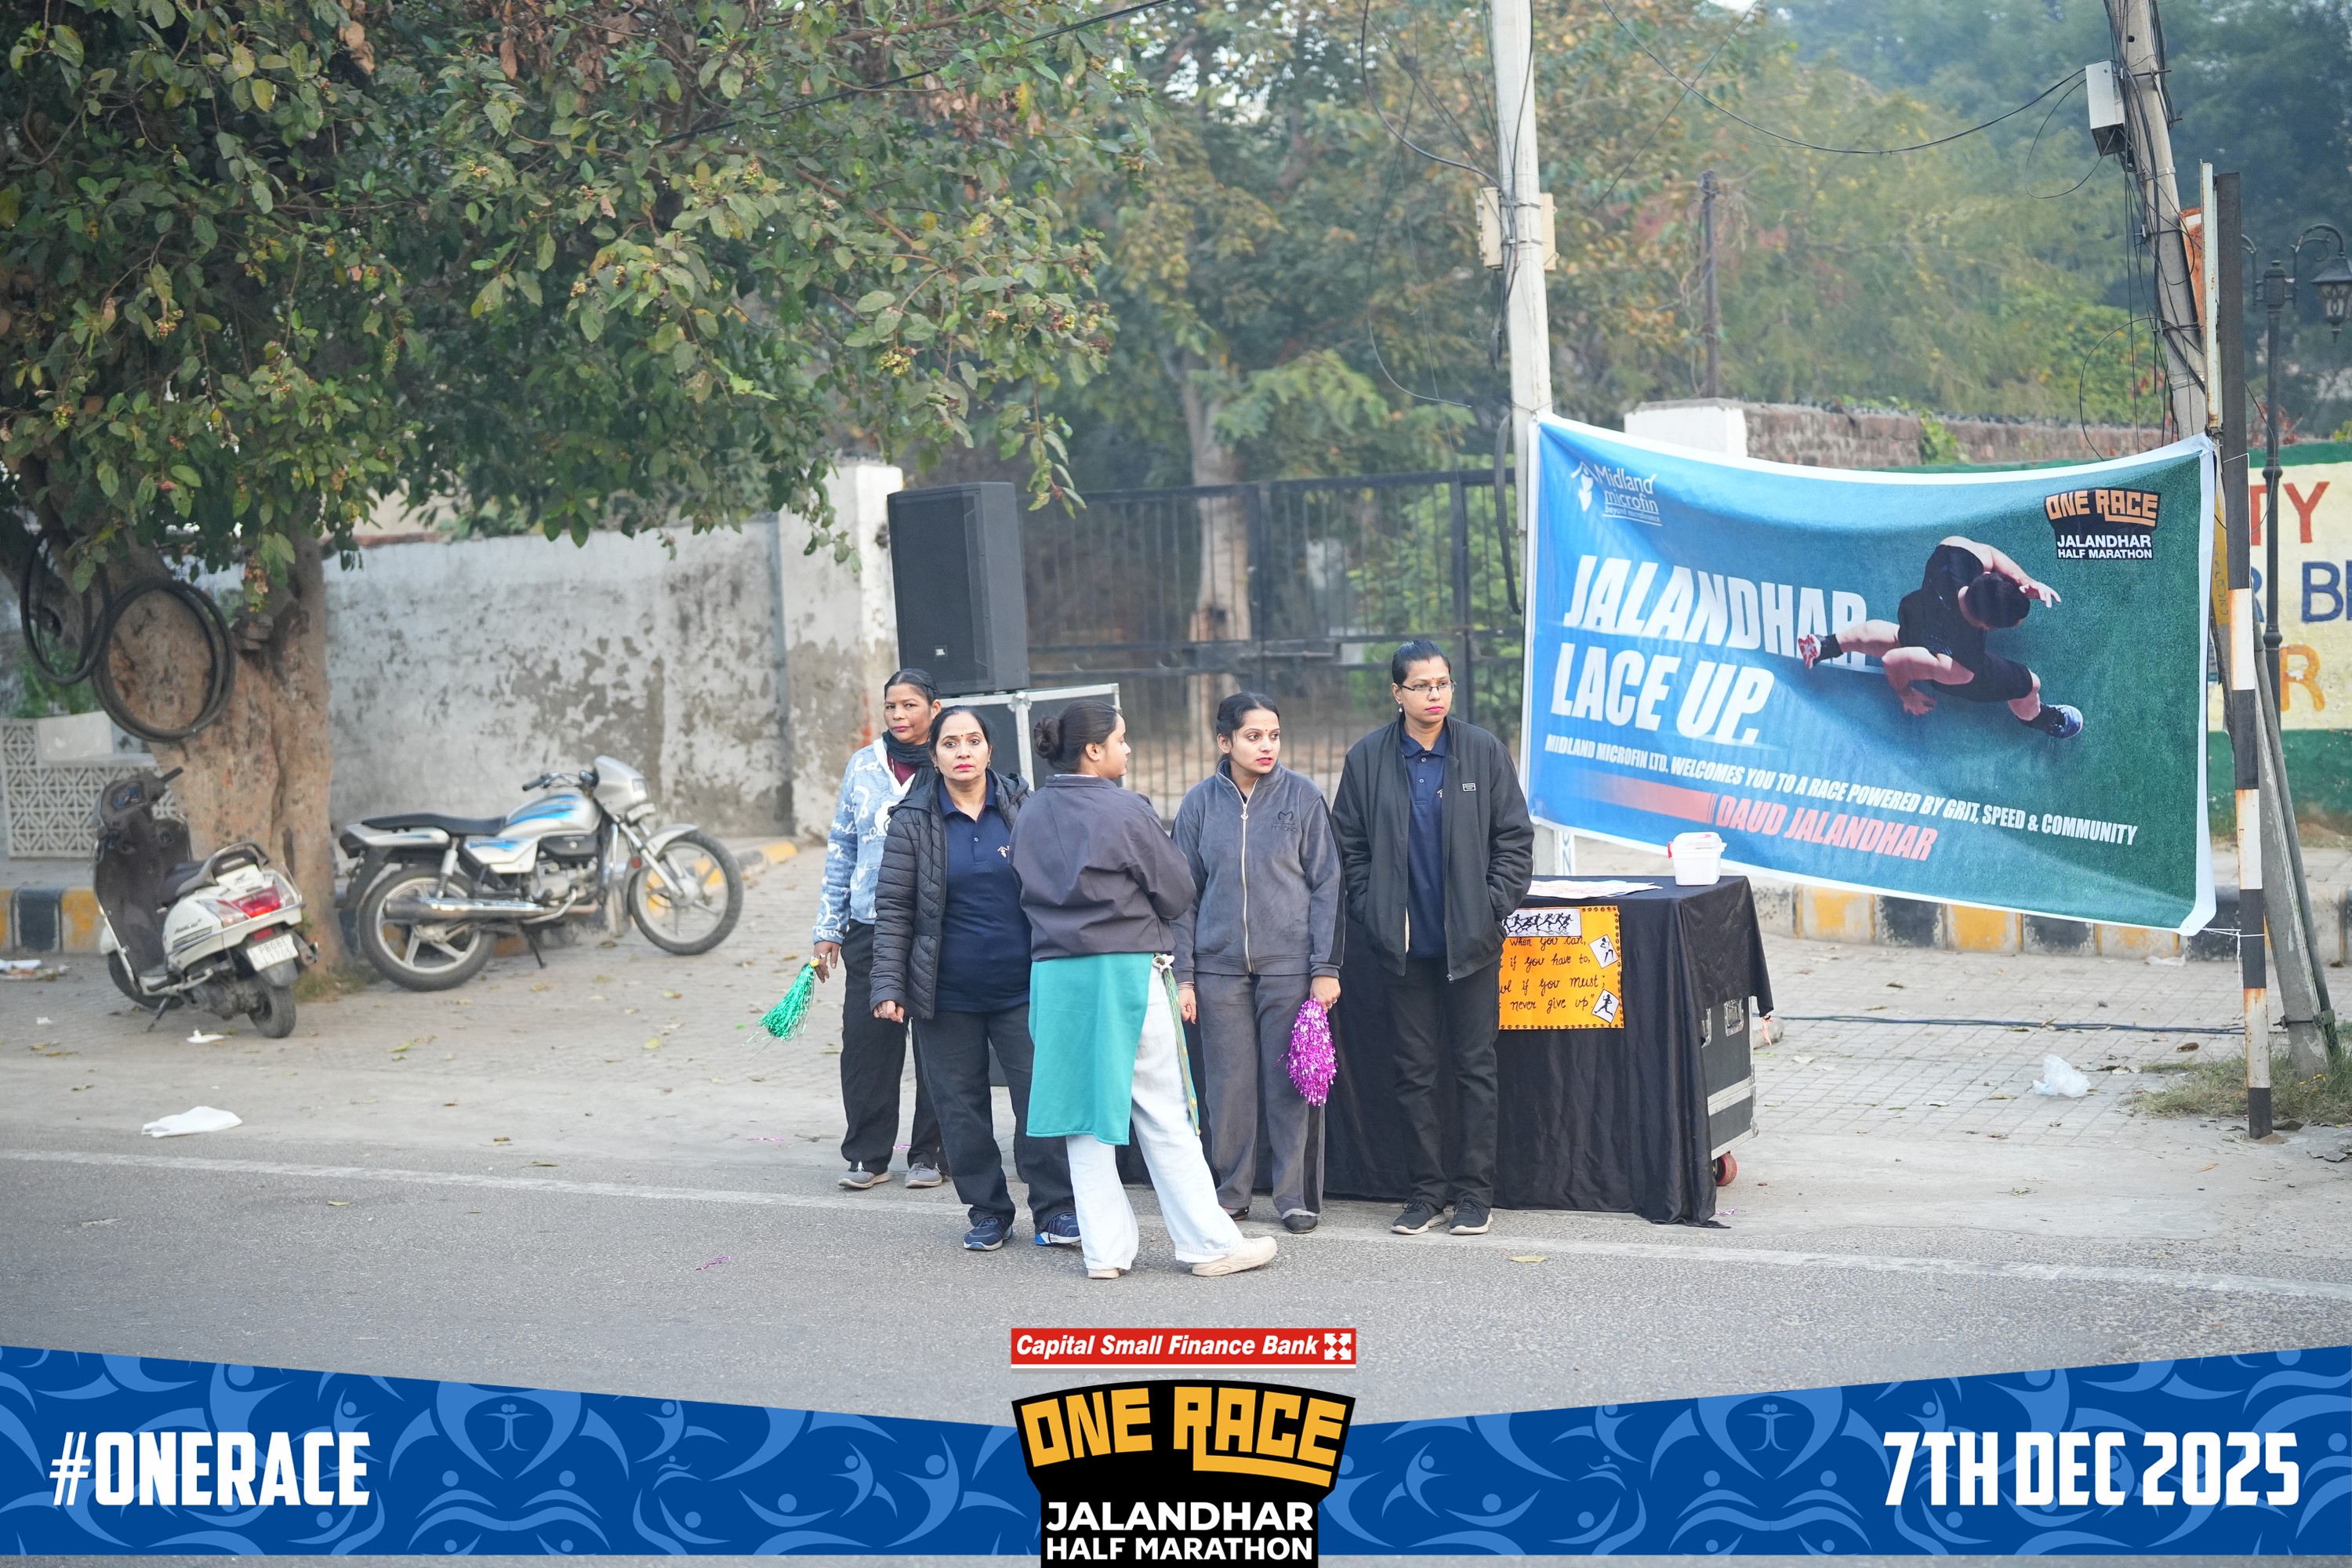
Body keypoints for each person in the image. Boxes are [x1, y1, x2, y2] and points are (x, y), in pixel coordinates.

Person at [1012, 698, 1279, 1281]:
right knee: (1162, 1111)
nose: (1127, 749)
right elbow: (1178, 890)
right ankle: (1208, 1244)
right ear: (1093, 750)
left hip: (1056, 976)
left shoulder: (1029, 812)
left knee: (1083, 1119)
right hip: (1122, 970)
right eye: (1121, 740)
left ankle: (1105, 1253)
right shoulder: (1124, 808)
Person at [1331, 640, 1534, 1240]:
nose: (1435, 694)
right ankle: (1425, 1193)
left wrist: (1487, 909)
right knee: (1414, 1074)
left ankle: (1474, 1195)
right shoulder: (1368, 759)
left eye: (1442, 683)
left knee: (1475, 1070)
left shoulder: (1482, 750)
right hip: (1402, 950)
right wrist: (1371, 910)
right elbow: (1349, 847)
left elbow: (1514, 841)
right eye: (1422, 685)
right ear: (1397, 693)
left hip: (1471, 946)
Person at [870, 709, 1080, 1252]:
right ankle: (988, 1211)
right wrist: (888, 985)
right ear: (934, 755)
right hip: (945, 994)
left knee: (1040, 1102)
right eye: (950, 743)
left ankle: (1056, 1210)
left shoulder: (1024, 808)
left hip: (1025, 989)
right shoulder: (913, 819)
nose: (962, 752)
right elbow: (893, 908)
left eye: (973, 741)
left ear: (989, 749)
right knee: (960, 1109)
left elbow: (1060, 889)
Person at [1172, 692, 1342, 1236]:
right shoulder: (1199, 804)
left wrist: (1325, 967)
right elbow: (1182, 896)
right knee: (1228, 1088)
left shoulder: (1304, 797)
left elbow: (1328, 886)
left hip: (1290, 967)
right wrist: (1184, 976)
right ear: (1224, 742)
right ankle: (1231, 1193)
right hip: (1218, 970)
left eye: (1273, 735)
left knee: (1293, 1084)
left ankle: (1294, 1197)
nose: (1266, 745)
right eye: (1253, 736)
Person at [811, 668, 947, 1191]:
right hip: (870, 925)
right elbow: (842, 846)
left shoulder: (951, 761)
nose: (899, 715)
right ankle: (868, 1155)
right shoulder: (863, 766)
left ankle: (931, 1154)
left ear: (934, 709)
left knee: (939, 1044)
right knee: (867, 1044)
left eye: (910, 705)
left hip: (937, 926)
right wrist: (829, 926)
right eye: (891, 706)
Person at [1798, 535, 2081, 739]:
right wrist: (1907, 695)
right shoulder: (1962, 663)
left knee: (1901, 638)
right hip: (1945, 655)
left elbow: (1991, 555)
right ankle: (2038, 718)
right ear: (1986, 626)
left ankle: (1826, 645)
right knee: (2029, 683)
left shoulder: (1954, 552)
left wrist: (2023, 582)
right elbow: (1894, 662)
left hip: (1918, 614)